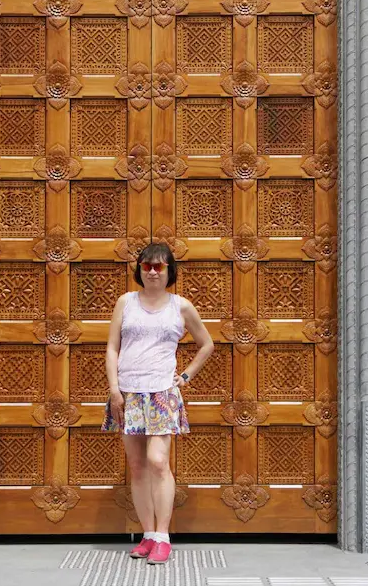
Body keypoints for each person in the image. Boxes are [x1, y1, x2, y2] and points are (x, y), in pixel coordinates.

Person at [102, 242, 214, 565]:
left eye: (158, 267)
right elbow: (112, 348)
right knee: (137, 466)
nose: (152, 272)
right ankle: (148, 535)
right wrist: (114, 390)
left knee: (157, 461)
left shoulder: (180, 307)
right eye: (147, 266)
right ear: (139, 269)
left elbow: (206, 344)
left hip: (162, 393)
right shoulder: (126, 303)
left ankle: (163, 536)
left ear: (169, 271)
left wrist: (187, 376)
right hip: (128, 393)